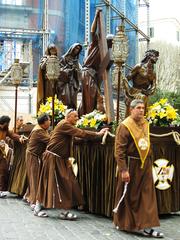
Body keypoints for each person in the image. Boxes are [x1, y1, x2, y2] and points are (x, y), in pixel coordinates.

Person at [34, 109, 108, 219]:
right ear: (68, 117)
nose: (77, 118)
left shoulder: (66, 126)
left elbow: (75, 137)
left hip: (60, 159)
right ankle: (56, 211)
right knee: (57, 183)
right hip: (53, 158)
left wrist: (86, 140)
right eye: (75, 116)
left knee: (65, 182)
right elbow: (80, 133)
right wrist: (98, 134)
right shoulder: (64, 124)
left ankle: (46, 208)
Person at [113, 99, 164, 238]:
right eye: (138, 108)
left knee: (147, 196)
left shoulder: (145, 123)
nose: (142, 110)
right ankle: (125, 223)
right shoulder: (125, 126)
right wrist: (123, 170)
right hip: (131, 165)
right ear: (131, 110)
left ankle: (147, 226)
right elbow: (119, 151)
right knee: (130, 195)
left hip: (145, 165)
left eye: (143, 108)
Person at [78, 9, 113, 116]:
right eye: (111, 41)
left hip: (95, 76)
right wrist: (96, 15)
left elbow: (106, 66)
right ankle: (89, 117)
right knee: (95, 97)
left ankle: (85, 115)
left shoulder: (107, 54)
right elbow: (93, 31)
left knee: (91, 98)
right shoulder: (96, 44)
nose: (112, 44)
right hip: (87, 72)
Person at [25, 114, 50, 213]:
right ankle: (34, 201)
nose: (50, 122)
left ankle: (30, 196)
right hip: (32, 156)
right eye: (49, 120)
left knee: (35, 177)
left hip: (33, 155)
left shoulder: (40, 128)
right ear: (44, 122)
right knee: (34, 178)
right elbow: (50, 140)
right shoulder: (39, 131)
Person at [124, 49, 159, 116]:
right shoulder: (139, 67)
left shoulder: (153, 73)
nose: (156, 58)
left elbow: (154, 86)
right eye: (155, 56)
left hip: (145, 95)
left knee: (144, 115)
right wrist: (127, 93)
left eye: (157, 57)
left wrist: (148, 92)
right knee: (132, 116)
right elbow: (126, 79)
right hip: (134, 93)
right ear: (149, 56)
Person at [0, 115, 22, 198]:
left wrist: (20, 138)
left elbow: (13, 135)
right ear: (5, 122)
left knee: (3, 170)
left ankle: (1, 190)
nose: (9, 124)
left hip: (2, 154)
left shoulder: (5, 130)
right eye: (8, 122)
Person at [56, 43, 82, 109]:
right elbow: (59, 70)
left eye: (78, 49)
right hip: (65, 83)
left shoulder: (76, 61)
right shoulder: (63, 58)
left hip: (73, 83)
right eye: (76, 48)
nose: (77, 50)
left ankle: (73, 114)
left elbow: (79, 72)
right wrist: (68, 70)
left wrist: (76, 70)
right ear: (72, 49)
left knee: (73, 100)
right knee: (65, 99)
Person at [37, 43, 59, 113]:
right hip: (47, 82)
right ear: (49, 50)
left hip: (56, 81)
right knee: (47, 97)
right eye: (51, 50)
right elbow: (42, 67)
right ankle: (47, 110)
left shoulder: (57, 59)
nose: (52, 52)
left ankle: (54, 111)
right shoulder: (45, 58)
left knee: (55, 97)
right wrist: (48, 59)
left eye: (54, 50)